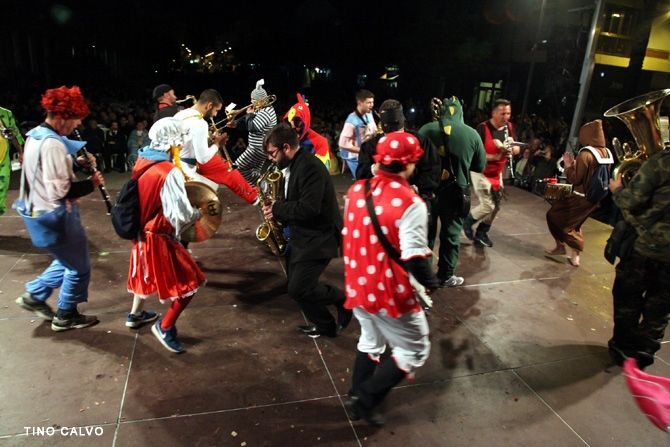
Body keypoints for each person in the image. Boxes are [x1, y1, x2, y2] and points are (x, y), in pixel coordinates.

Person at [342, 131, 440, 426]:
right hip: (387, 291)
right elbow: (414, 255)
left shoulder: (357, 190)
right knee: (415, 349)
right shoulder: (411, 203)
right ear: (409, 164)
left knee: (371, 340)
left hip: (357, 282)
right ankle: (365, 398)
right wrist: (432, 282)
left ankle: (355, 396)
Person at [14, 86, 104, 331]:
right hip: (54, 214)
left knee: (67, 259)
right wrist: (91, 183)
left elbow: (47, 167)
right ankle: (66, 314)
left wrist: (76, 161)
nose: (77, 125)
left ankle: (34, 295)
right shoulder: (53, 144)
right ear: (63, 116)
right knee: (79, 267)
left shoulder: (35, 134)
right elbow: (61, 191)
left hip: (35, 209)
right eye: (76, 119)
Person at [261, 123, 350, 338]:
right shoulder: (292, 166)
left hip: (320, 236)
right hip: (302, 233)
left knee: (298, 288)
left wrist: (277, 209)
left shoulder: (311, 168)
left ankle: (343, 300)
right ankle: (325, 326)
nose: (271, 159)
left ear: (286, 147)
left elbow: (309, 208)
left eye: (272, 153)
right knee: (296, 287)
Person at [126, 118, 205, 353]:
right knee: (190, 283)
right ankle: (165, 326)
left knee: (143, 274)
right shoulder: (168, 172)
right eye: (179, 140)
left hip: (141, 234)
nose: (181, 145)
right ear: (172, 141)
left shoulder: (143, 159)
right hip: (157, 237)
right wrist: (198, 213)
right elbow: (179, 215)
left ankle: (135, 315)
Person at [607, 145, 670, 369]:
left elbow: (630, 201)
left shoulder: (662, 161)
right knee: (660, 304)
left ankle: (623, 347)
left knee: (628, 296)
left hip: (647, 247)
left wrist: (617, 189)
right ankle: (645, 349)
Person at [419, 96, 487, 286]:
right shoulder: (472, 134)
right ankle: (445, 275)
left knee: (425, 233)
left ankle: (423, 277)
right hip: (456, 192)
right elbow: (480, 166)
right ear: (460, 112)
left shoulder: (426, 129)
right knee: (451, 234)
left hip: (428, 191)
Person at [545, 120, 613, 267]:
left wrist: (569, 166)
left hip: (579, 198)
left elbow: (575, 179)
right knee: (575, 224)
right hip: (594, 199)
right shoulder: (606, 152)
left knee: (557, 218)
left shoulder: (585, 153)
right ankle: (566, 249)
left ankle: (572, 249)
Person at [173, 89, 258, 204]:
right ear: (209, 105)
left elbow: (187, 142)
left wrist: (208, 141)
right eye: (216, 110)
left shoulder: (180, 114)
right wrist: (217, 144)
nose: (215, 114)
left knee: (216, 182)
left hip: (174, 163)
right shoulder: (200, 123)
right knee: (211, 191)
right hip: (185, 169)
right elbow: (202, 159)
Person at [464, 98, 521, 248]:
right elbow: (475, 154)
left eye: (508, 113)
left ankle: (482, 233)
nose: (506, 117)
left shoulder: (509, 127)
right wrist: (495, 156)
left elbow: (517, 148)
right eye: (503, 113)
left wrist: (513, 150)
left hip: (497, 173)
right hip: (480, 172)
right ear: (494, 113)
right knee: (488, 205)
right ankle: (467, 221)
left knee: (496, 207)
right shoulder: (482, 128)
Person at [356, 99, 440, 200]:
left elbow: (433, 170)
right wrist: (375, 169)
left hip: (415, 199)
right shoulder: (369, 146)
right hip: (381, 201)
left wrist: (415, 188)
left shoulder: (420, 142)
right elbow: (361, 175)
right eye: (390, 134)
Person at [231, 79, 278, 184]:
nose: (251, 101)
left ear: (260, 100)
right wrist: (236, 123)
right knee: (253, 171)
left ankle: (263, 184)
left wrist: (249, 114)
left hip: (257, 149)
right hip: (256, 148)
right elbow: (248, 120)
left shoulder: (266, 111)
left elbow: (253, 127)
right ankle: (258, 188)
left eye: (253, 99)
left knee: (237, 168)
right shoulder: (260, 108)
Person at [283, 93, 333, 171]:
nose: (292, 126)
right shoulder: (284, 136)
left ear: (305, 121)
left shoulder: (321, 142)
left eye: (297, 121)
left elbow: (321, 172)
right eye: (289, 121)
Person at [338, 89, 377, 178]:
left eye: (372, 102)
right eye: (369, 103)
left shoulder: (369, 114)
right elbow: (342, 144)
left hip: (366, 154)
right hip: (355, 158)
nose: (372, 105)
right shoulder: (351, 120)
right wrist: (363, 151)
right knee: (363, 180)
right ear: (360, 103)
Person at [0, 106, 24, 215]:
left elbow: (14, 134)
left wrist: (20, 152)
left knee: (1, 192)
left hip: (3, 161)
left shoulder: (6, 114)